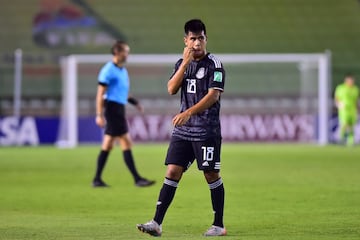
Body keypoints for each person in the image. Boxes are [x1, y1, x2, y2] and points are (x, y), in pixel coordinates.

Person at [137, 19, 226, 237]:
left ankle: (218, 225)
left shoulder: (215, 64)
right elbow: (170, 89)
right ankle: (156, 223)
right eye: (193, 39)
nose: (197, 43)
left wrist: (187, 113)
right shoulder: (181, 64)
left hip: (206, 130)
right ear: (186, 40)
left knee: (211, 174)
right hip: (183, 131)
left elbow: (213, 96)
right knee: (172, 171)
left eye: (201, 38)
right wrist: (185, 64)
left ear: (206, 39)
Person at [92, 40, 155, 187]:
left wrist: (135, 103)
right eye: (126, 51)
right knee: (126, 141)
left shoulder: (122, 71)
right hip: (112, 109)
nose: (128, 54)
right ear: (117, 53)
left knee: (108, 145)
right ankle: (137, 179)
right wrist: (99, 114)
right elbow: (100, 93)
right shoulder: (108, 70)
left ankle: (97, 179)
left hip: (119, 108)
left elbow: (123, 93)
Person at [334, 74, 359, 146]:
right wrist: (339, 104)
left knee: (352, 126)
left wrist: (357, 109)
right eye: (350, 80)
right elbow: (337, 98)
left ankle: (351, 141)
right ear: (346, 80)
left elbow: (356, 100)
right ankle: (340, 139)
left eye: (352, 80)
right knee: (344, 124)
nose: (351, 82)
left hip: (353, 110)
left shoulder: (355, 89)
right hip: (344, 109)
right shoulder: (341, 88)